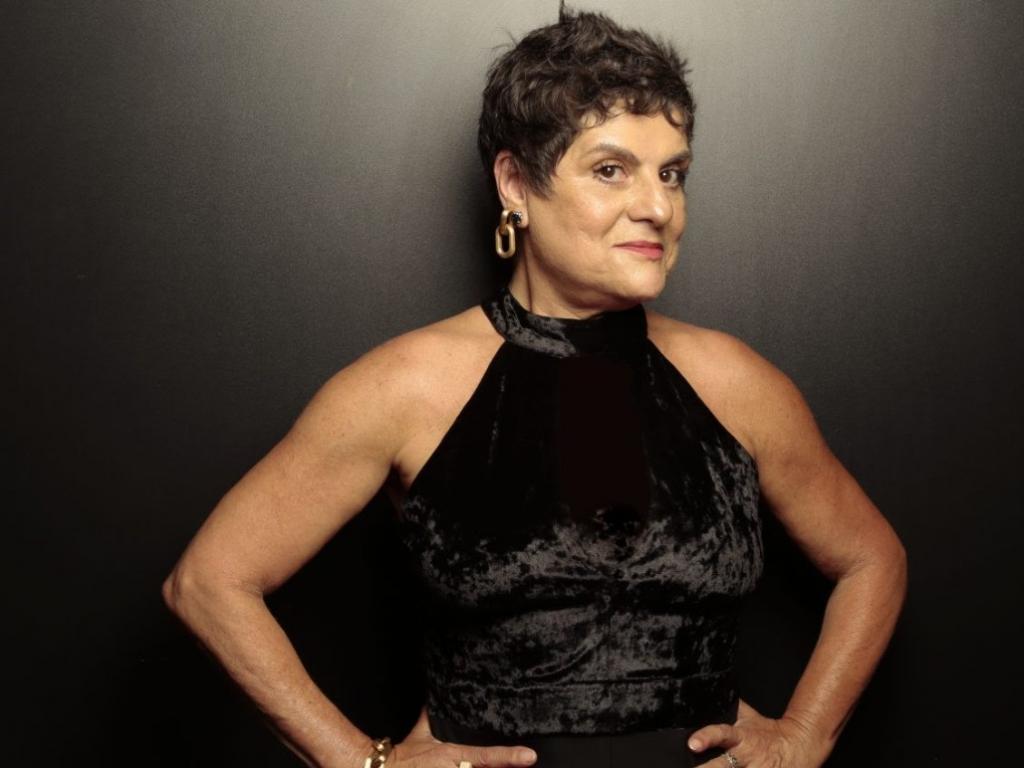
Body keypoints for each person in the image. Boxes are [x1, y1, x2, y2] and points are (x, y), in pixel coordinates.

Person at [163, 6, 906, 768]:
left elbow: (872, 559)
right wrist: (366, 762)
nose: (658, 207)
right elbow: (209, 582)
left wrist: (806, 734)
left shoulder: (737, 384)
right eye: (611, 169)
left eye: (672, 174)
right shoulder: (405, 387)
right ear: (516, 182)